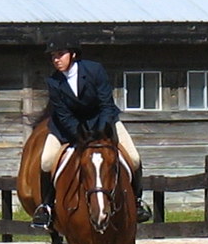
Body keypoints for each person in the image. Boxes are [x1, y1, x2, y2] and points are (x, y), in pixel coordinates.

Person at [32, 40, 152, 229]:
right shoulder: (54, 82)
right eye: (53, 56)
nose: (56, 60)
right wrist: (79, 133)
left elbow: (105, 103)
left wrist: (101, 129)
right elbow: (63, 114)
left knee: (134, 158)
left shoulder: (95, 70)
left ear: (72, 54)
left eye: (60, 54)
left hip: (103, 121)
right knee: (46, 161)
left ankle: (136, 202)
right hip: (68, 128)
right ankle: (46, 207)